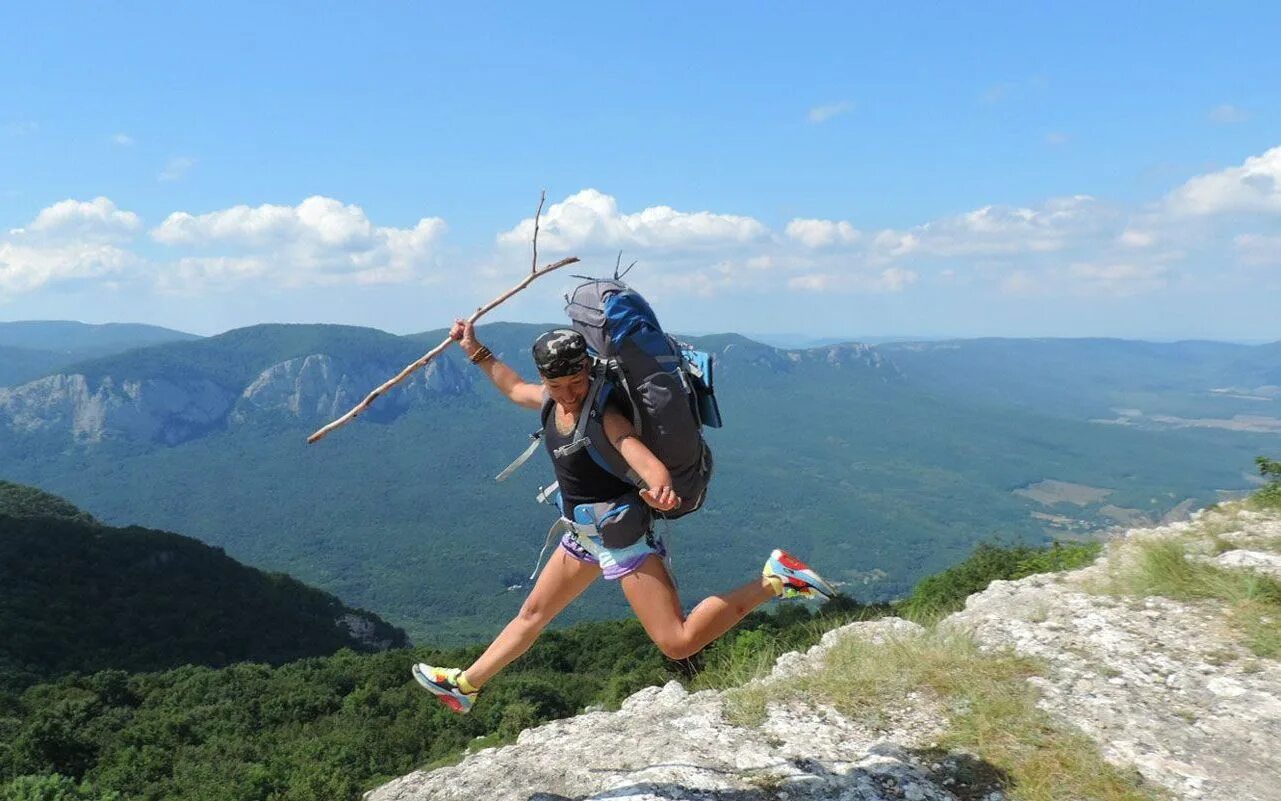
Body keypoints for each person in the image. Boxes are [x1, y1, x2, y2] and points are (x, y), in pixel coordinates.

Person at [412, 320, 837, 714]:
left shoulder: (604, 415)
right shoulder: (548, 401)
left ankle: (777, 578)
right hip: (582, 536)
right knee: (532, 616)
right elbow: (513, 387)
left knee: (678, 642)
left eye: (575, 382)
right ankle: (464, 686)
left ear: (588, 371)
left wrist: (661, 485)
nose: (567, 393)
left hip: (621, 540)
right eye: (556, 384)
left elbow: (635, 450)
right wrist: (475, 348)